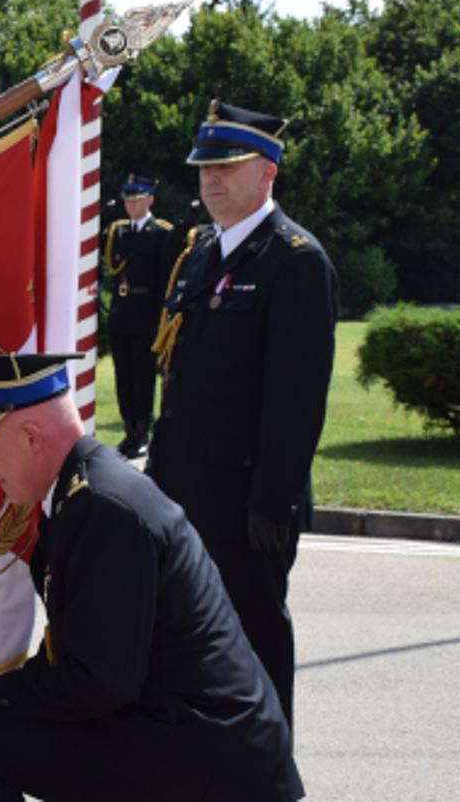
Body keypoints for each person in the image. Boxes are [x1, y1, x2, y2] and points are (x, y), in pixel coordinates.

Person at [0, 352, 302, 802]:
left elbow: (100, 680)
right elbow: (78, 655)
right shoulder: (86, 494)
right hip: (186, 734)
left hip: (205, 756)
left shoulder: (102, 509)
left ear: (31, 437)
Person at [145, 100, 339, 733]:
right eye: (205, 168)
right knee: (187, 647)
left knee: (253, 643)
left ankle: (268, 773)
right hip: (184, 494)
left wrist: (272, 503)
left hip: (247, 504)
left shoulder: (295, 260)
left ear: (268, 173)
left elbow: (297, 398)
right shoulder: (199, 251)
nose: (211, 180)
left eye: (228, 166)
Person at [101, 174, 179, 459]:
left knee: (143, 376)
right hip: (122, 312)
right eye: (127, 200)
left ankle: (143, 432)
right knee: (124, 376)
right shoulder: (118, 232)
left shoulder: (161, 233)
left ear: (150, 200)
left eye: (137, 199)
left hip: (146, 313)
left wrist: (163, 318)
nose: (131, 205)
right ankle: (129, 431)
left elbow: (166, 278)